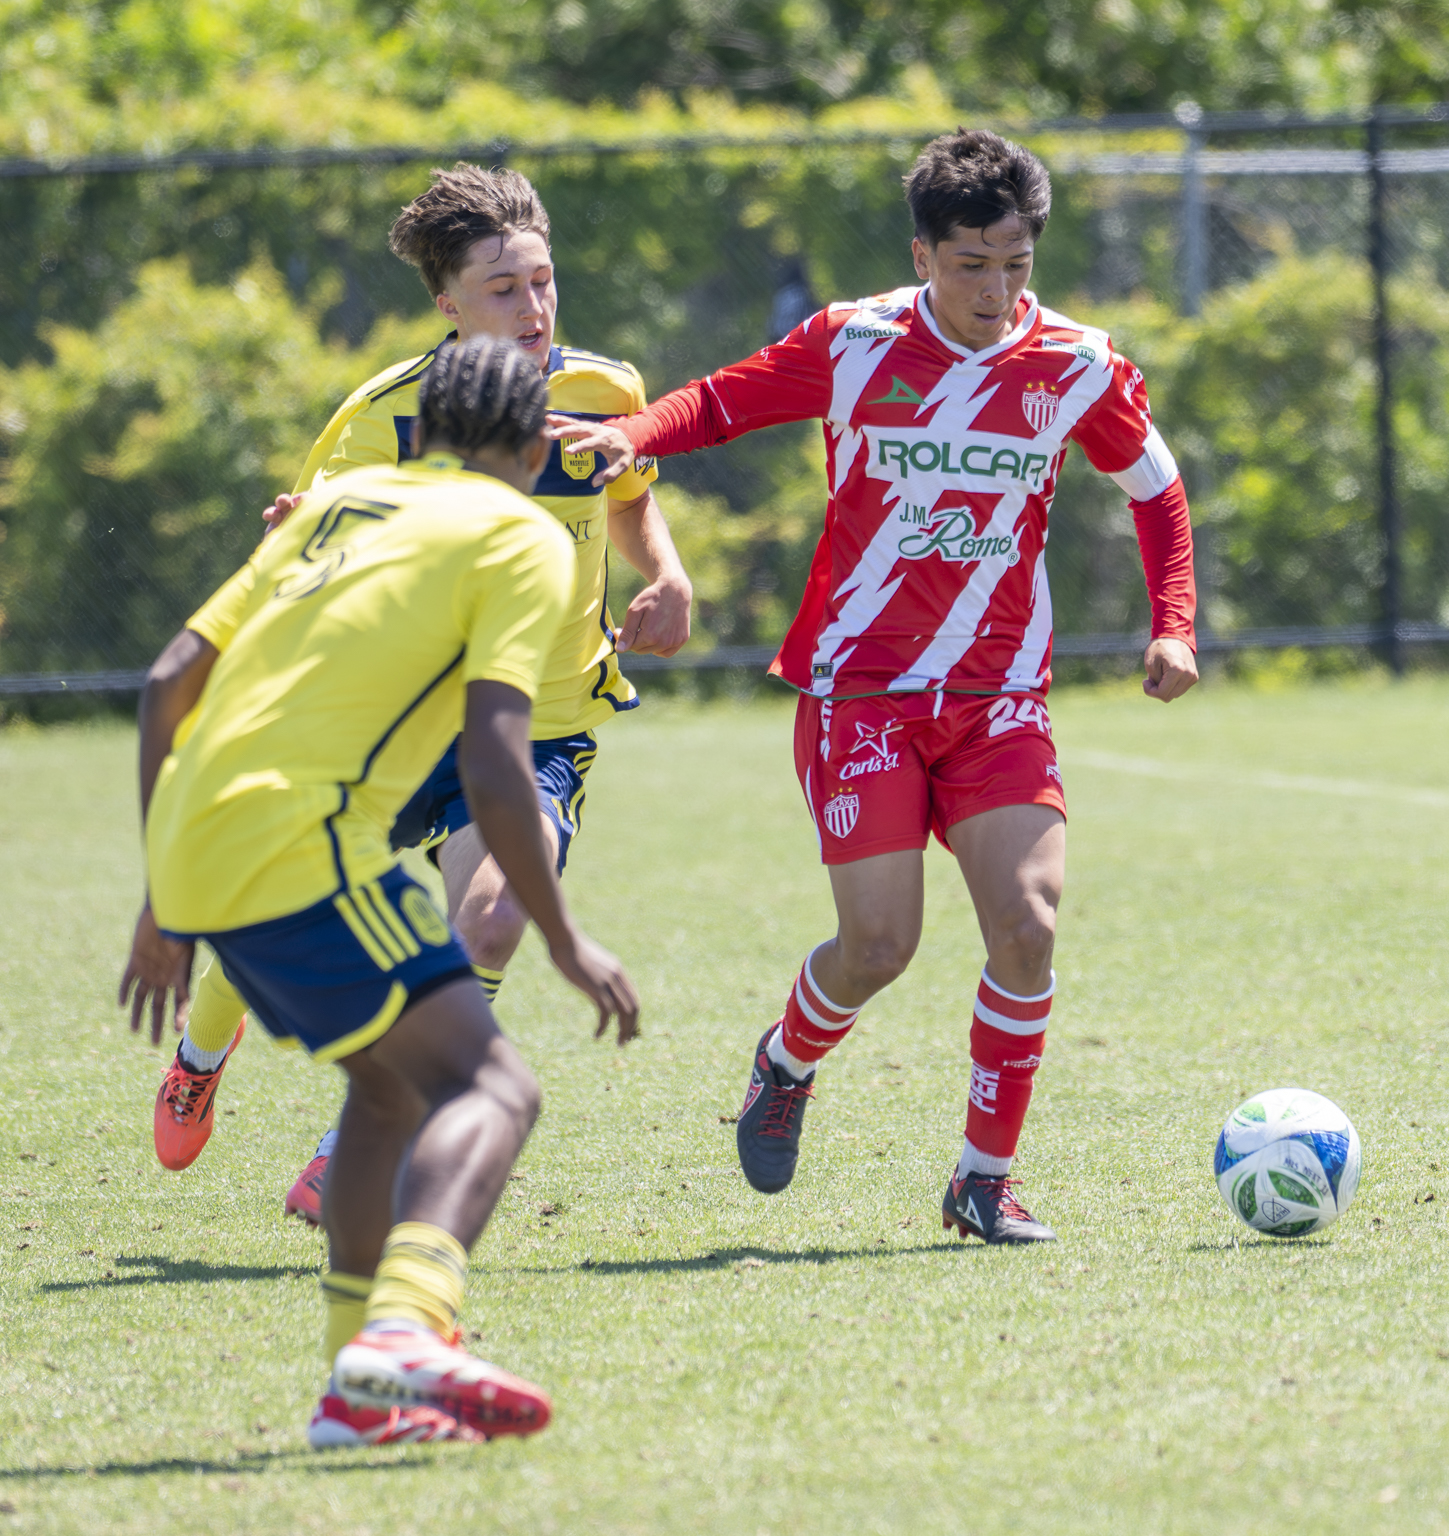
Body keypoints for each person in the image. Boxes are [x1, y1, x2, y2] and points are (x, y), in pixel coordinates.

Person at [553, 130, 1198, 1244]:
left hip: (998, 698)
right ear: (922, 253)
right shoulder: (853, 343)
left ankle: (980, 1184)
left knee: (1027, 925)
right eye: (969, 266)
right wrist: (627, 433)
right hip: (860, 692)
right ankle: (787, 1060)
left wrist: (1173, 625)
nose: (995, 290)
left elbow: (1155, 485)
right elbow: (715, 402)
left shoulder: (1077, 364)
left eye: (1015, 265)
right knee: (878, 948)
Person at [121, 336, 640, 1448]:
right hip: (305, 841)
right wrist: (562, 938)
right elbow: (501, 765)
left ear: (428, 428)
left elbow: (170, 681)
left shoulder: (341, 501)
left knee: (388, 1090)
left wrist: (162, 891)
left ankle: (355, 1399)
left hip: (208, 830)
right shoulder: (520, 537)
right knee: (492, 1086)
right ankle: (408, 1327)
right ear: (528, 441)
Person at [149, 164, 692, 1225]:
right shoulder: (378, 419)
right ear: (445, 303)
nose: (533, 308)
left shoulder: (603, 390)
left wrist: (665, 575)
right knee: (273, 904)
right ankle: (200, 1052)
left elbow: (627, 496)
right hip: (390, 724)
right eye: (502, 288)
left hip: (541, 720)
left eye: (542, 281)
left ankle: (361, 1140)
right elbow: (310, 547)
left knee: (489, 923)